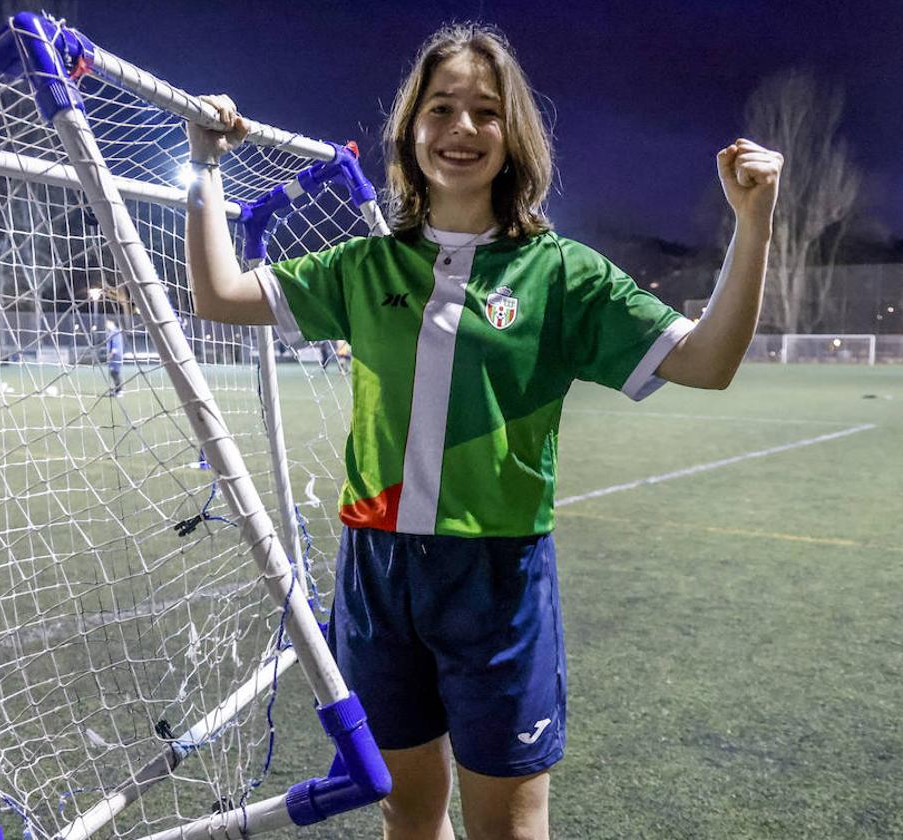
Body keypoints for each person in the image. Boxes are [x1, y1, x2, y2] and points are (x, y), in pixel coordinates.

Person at [184, 23, 781, 840]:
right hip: (377, 569)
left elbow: (709, 361)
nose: (462, 128)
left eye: (486, 111)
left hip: (495, 579)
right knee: (408, 811)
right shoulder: (365, 266)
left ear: (515, 135)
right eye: (441, 108)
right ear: (411, 128)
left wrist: (755, 222)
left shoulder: (564, 275)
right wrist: (205, 168)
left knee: (508, 823)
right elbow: (218, 294)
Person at [103, 319, 124, 396]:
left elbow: (115, 345)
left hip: (116, 355)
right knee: (113, 373)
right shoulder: (112, 333)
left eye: (107, 324)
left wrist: (110, 355)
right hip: (114, 355)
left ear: (112, 324)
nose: (106, 326)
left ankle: (120, 391)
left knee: (115, 372)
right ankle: (117, 390)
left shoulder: (115, 332)